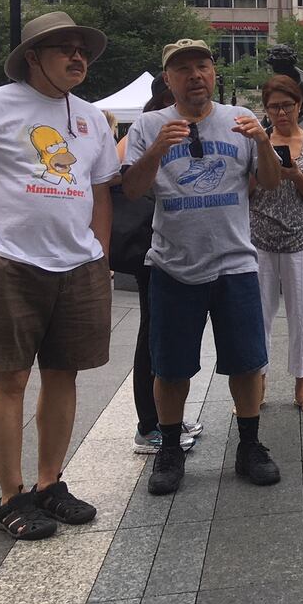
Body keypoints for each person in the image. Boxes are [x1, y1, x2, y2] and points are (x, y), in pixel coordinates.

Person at [0, 11, 120, 541]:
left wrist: (100, 256)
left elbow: (101, 191)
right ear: (33, 58)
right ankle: (10, 495)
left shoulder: (90, 118)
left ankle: (49, 485)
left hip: (78, 266)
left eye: (81, 48)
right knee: (10, 379)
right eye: (64, 48)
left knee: (65, 374)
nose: (77, 56)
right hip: (10, 264)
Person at [121, 39, 283, 496]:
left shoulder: (239, 120)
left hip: (235, 262)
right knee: (170, 368)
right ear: (168, 80)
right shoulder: (149, 124)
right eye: (183, 69)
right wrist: (155, 151)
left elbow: (269, 184)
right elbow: (131, 191)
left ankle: (249, 445)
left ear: (214, 74)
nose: (195, 75)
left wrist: (262, 142)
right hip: (173, 265)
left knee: (247, 363)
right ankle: (169, 449)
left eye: (202, 66)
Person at [114, 78, 202, 455]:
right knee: (152, 336)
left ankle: (165, 418)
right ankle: (149, 425)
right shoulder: (144, 131)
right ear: (168, 97)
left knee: (162, 333)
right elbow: (122, 180)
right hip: (149, 247)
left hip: (170, 246)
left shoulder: (173, 129)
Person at [250, 76, 303, 412]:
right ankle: (259, 383)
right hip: (260, 242)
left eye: (286, 105)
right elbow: (248, 191)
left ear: (299, 105)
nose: (280, 113)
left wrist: (297, 175)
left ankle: (301, 385)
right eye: (273, 107)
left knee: (302, 317)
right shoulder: (258, 142)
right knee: (258, 317)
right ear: (266, 110)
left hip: (302, 241)